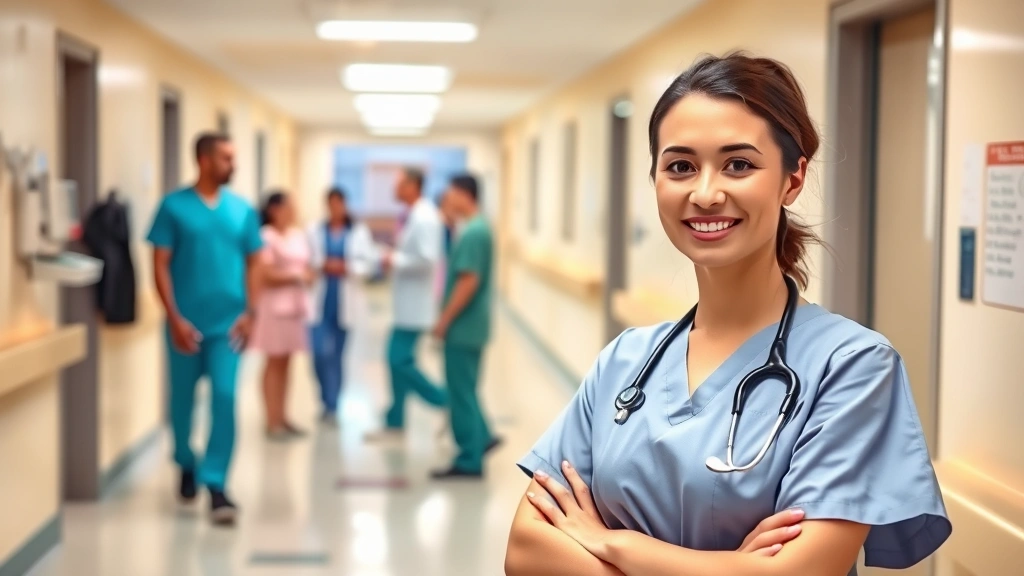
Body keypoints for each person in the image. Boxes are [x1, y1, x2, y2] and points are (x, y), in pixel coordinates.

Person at [505, 52, 951, 576]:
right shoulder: (625, 361)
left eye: (739, 164)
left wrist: (612, 544)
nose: (706, 193)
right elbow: (526, 550)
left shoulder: (853, 366)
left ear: (792, 179)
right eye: (680, 166)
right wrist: (726, 567)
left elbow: (800, 573)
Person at [147, 132, 262, 526]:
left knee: (226, 398)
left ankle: (216, 484)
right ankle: (185, 459)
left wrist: (252, 313)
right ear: (204, 160)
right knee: (181, 402)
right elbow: (160, 263)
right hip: (184, 325)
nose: (234, 165)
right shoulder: (173, 207)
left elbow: (255, 264)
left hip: (228, 325)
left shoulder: (242, 211)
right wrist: (174, 317)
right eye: (227, 158)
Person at [430, 174, 502, 479]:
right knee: (467, 387)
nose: (447, 201)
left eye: (450, 195)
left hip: (463, 325)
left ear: (464, 194)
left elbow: (468, 280)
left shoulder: (473, 233)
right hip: (473, 325)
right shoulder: (479, 227)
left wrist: (444, 319)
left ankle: (469, 459)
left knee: (460, 391)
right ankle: (482, 437)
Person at [368, 167, 448, 439]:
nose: (394, 188)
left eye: (398, 183)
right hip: (408, 305)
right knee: (398, 361)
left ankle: (445, 402)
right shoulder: (414, 215)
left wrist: (394, 259)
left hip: (416, 307)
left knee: (397, 360)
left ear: (413, 186)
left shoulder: (424, 217)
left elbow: (427, 258)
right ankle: (395, 421)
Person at [307, 187, 378, 424]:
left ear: (345, 205)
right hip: (320, 299)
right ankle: (324, 395)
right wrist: (322, 264)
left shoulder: (358, 231)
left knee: (337, 355)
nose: (336, 208)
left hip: (345, 300)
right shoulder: (315, 230)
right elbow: (308, 260)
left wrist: (348, 268)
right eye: (331, 203)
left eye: (340, 203)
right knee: (318, 353)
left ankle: (332, 405)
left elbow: (368, 265)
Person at [251, 191, 313, 440]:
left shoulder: (297, 235)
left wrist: (305, 275)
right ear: (275, 209)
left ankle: (283, 417)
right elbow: (265, 274)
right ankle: (271, 420)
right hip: (273, 308)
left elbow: (305, 264)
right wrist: (297, 276)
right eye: (289, 206)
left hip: (294, 308)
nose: (294, 211)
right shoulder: (266, 236)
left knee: (287, 363)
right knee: (273, 362)